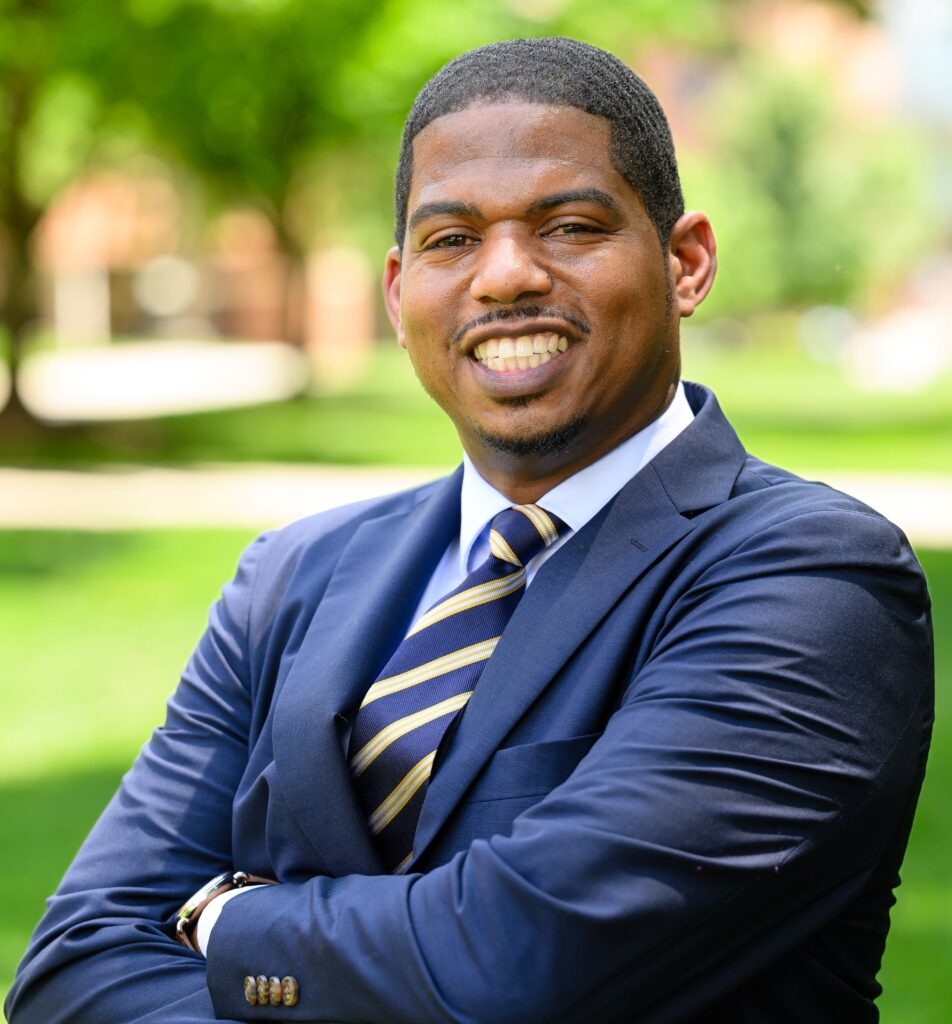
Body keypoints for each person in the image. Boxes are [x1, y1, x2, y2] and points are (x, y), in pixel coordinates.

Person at [7, 37, 933, 1024]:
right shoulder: (291, 577)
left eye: (568, 225)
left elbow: (522, 964)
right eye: (451, 241)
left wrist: (226, 921)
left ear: (685, 262)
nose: (504, 277)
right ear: (400, 293)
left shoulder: (815, 581)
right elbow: (74, 967)